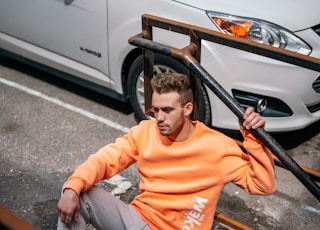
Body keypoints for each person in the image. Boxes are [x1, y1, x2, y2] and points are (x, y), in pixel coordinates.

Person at [57, 72, 276, 230]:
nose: (159, 117)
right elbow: (104, 160)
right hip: (138, 220)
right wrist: (72, 189)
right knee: (76, 190)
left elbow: (263, 184)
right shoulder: (145, 132)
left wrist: (254, 138)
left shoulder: (217, 147)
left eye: (168, 110)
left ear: (187, 109)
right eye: (156, 109)